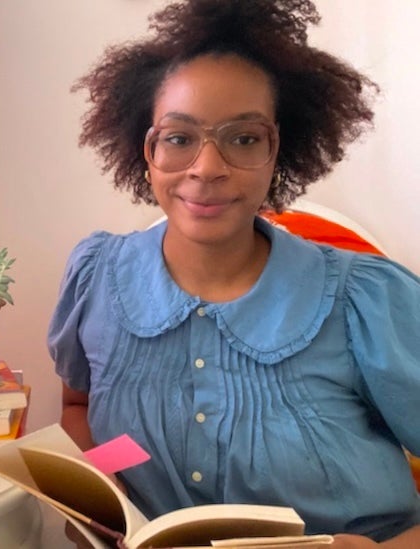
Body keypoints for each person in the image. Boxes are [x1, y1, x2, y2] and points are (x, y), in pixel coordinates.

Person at [47, 0, 420, 547]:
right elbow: (78, 407)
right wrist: (98, 485)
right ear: (146, 151)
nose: (207, 167)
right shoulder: (96, 279)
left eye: (243, 138)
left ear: (278, 151)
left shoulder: (365, 299)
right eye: (178, 138)